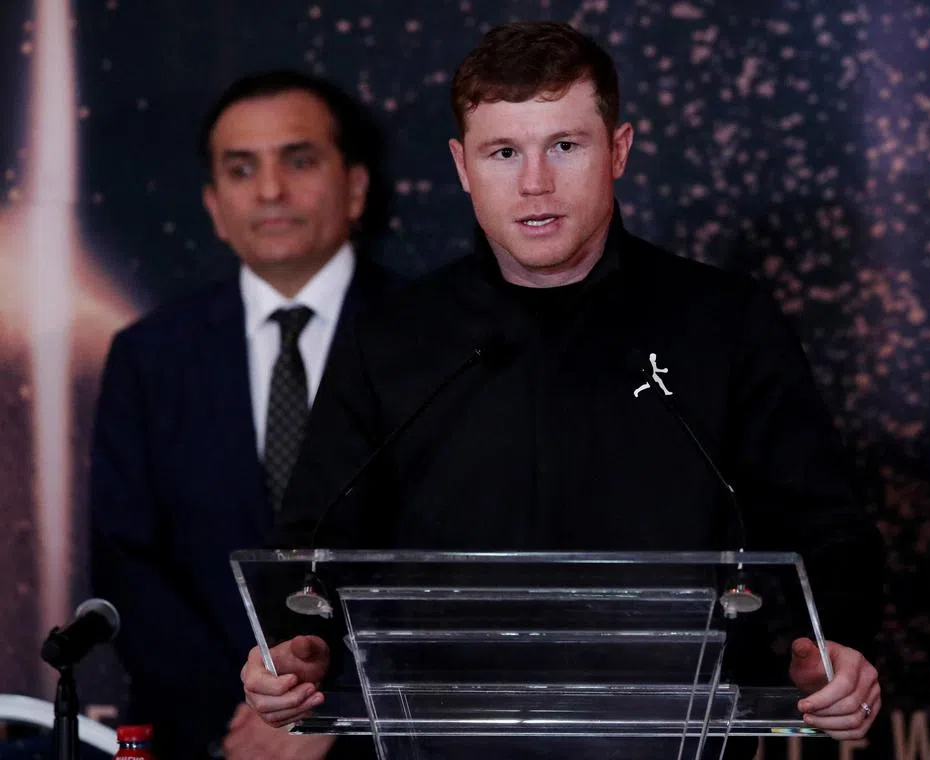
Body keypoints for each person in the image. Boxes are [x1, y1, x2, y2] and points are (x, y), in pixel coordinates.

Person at [241, 20, 885, 754]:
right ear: (461, 165)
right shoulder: (389, 339)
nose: (535, 183)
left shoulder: (725, 323)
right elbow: (313, 547)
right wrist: (297, 650)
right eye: (504, 152)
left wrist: (828, 646)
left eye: (566, 146)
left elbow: (828, 533)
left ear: (618, 150)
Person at [90, 69, 392, 760]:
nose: (269, 191)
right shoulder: (148, 356)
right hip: (210, 739)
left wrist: (329, 710)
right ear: (214, 205)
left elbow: (443, 561)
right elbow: (127, 563)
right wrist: (254, 714)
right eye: (241, 169)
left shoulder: (434, 339)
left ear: (355, 186)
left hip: (377, 737)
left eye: (299, 159)